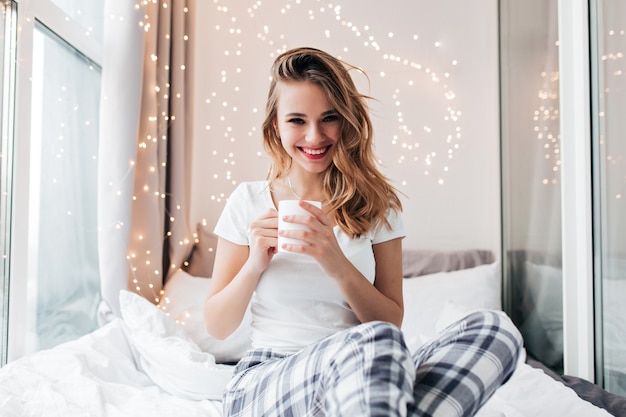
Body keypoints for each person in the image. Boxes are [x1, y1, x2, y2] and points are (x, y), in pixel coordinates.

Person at [204, 46, 522, 417]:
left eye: (329, 118)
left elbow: (390, 321)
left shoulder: (378, 206)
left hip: (367, 369)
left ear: (347, 120)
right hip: (268, 379)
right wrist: (253, 264)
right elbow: (218, 327)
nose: (314, 135)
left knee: (495, 330)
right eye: (296, 120)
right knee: (377, 343)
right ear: (276, 124)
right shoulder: (248, 201)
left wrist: (335, 261)